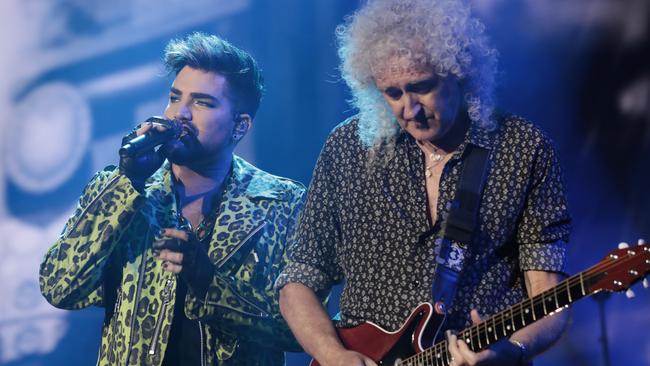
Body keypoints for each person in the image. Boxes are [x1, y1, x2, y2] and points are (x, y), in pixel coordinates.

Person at [276, 1, 571, 365]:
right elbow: (299, 280)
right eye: (393, 93)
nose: (409, 109)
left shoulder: (523, 149)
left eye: (422, 87)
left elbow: (549, 300)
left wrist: (514, 350)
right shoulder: (346, 148)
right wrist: (333, 355)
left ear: (459, 73)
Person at [39, 32, 305, 366]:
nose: (180, 114)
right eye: (175, 98)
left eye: (202, 102)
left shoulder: (281, 203)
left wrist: (209, 281)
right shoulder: (123, 189)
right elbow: (59, 287)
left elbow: (298, 330)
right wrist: (128, 183)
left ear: (240, 126)